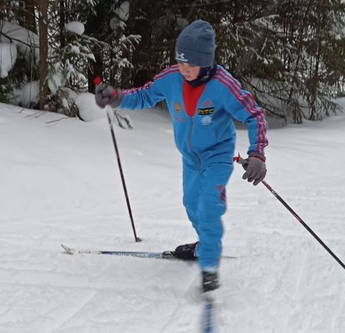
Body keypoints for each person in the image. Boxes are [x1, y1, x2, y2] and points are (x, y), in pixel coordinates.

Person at [95, 19, 268, 293]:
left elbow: (254, 114)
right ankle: (204, 245)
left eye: (191, 64)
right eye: (181, 62)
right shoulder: (172, 77)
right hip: (190, 159)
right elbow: (144, 96)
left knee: (209, 205)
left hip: (217, 156)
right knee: (191, 205)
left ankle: (209, 268)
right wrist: (117, 97)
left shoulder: (223, 85)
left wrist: (257, 153)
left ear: (207, 62)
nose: (184, 69)